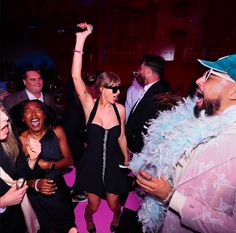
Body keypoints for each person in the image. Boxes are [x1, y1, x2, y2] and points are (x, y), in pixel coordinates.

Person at [131, 54, 236, 233]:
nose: (198, 80)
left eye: (210, 75)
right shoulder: (196, 120)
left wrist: (171, 198)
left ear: (234, 92)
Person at [71, 23, 129, 233]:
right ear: (102, 88)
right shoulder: (89, 105)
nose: (118, 93)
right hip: (92, 164)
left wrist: (127, 158)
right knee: (93, 206)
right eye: (114, 89)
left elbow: (121, 136)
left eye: (119, 89)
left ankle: (117, 216)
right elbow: (76, 77)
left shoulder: (120, 109)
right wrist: (81, 38)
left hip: (114, 163)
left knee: (114, 204)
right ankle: (87, 220)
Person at [15, 99, 77, 233]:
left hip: (58, 188)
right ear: (23, 118)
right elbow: (19, 176)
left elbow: (69, 160)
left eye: (38, 110)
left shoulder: (57, 131)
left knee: (70, 226)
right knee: (47, 228)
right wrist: (36, 184)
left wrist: (49, 165)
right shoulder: (21, 141)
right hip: (36, 196)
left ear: (44, 114)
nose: (33, 114)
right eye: (28, 111)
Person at [125, 54, 171, 154]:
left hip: (142, 152)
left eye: (141, 69)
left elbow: (149, 126)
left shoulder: (158, 94)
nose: (139, 72)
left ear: (148, 71)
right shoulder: (154, 89)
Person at [0, 104, 28, 233]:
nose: (6, 117)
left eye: (2, 110)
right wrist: (2, 202)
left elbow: (21, 169)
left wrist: (32, 160)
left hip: (16, 217)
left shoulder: (10, 138)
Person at [62, 80, 87, 202]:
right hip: (74, 142)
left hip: (75, 141)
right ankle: (77, 192)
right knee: (81, 165)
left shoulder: (77, 104)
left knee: (81, 165)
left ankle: (77, 190)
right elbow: (72, 131)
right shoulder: (74, 107)